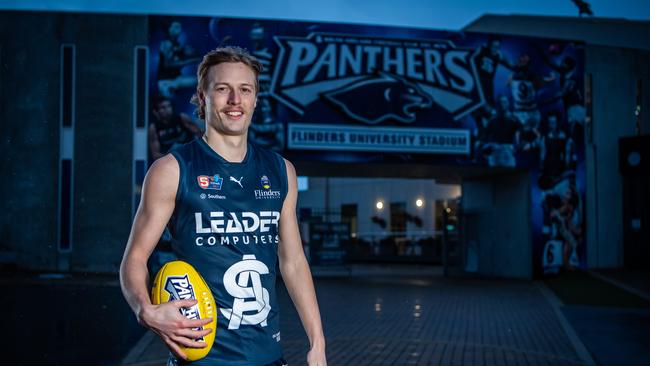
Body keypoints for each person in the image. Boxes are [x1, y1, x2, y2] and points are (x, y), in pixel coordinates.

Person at [120, 47, 327, 366]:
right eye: (222, 88)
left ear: (256, 99)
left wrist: (317, 343)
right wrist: (143, 309)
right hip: (202, 357)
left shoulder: (280, 171)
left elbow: (294, 262)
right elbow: (134, 259)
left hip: (269, 357)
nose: (235, 99)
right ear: (202, 97)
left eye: (245, 89)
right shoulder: (172, 170)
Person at [149, 96, 202, 161]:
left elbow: (200, 135)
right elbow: (155, 154)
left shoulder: (182, 118)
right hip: (170, 160)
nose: (168, 109)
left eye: (169, 106)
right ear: (155, 111)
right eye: (163, 107)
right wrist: (172, 156)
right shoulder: (154, 128)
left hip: (190, 156)